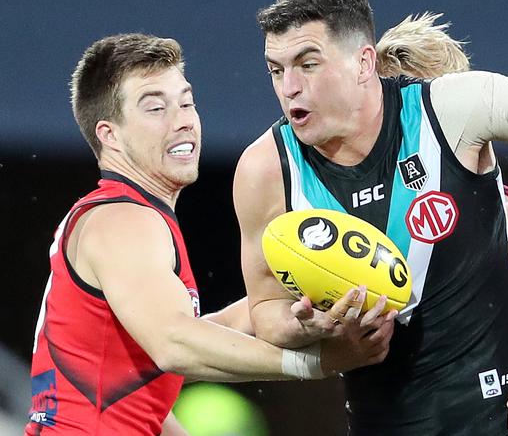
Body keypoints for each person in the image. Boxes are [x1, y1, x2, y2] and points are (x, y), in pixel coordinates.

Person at [232, 0, 508, 434]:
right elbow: (261, 312)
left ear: (365, 67)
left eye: (308, 65)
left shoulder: (499, 205)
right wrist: (313, 332)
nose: (289, 87)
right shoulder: (266, 170)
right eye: (275, 70)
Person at [25, 33, 395, 436]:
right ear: (110, 135)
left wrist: (289, 299)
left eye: (186, 102)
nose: (182, 119)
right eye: (155, 108)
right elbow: (174, 343)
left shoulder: (121, 216)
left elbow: (134, 386)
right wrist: (318, 362)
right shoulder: (124, 220)